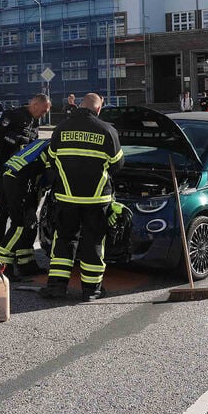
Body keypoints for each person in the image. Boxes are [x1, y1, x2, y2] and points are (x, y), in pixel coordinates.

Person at [42, 93, 122, 302]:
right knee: (93, 243)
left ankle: (56, 288)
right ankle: (91, 290)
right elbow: (117, 164)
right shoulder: (107, 130)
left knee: (63, 241)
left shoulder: (61, 129)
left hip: (66, 198)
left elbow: (51, 159)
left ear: (79, 105)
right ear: (98, 109)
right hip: (96, 200)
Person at [0, 94, 52, 260]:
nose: (44, 114)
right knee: (4, 211)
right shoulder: (12, 115)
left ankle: (17, 253)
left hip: (24, 175)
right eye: (44, 110)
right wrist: (19, 144)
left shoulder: (35, 121)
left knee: (21, 214)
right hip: (7, 170)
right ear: (34, 104)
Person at [0, 138, 52, 279]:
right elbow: (50, 177)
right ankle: (1, 266)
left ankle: (26, 264)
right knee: (19, 224)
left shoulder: (47, 141)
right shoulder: (56, 147)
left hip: (13, 176)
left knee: (30, 224)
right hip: (18, 179)